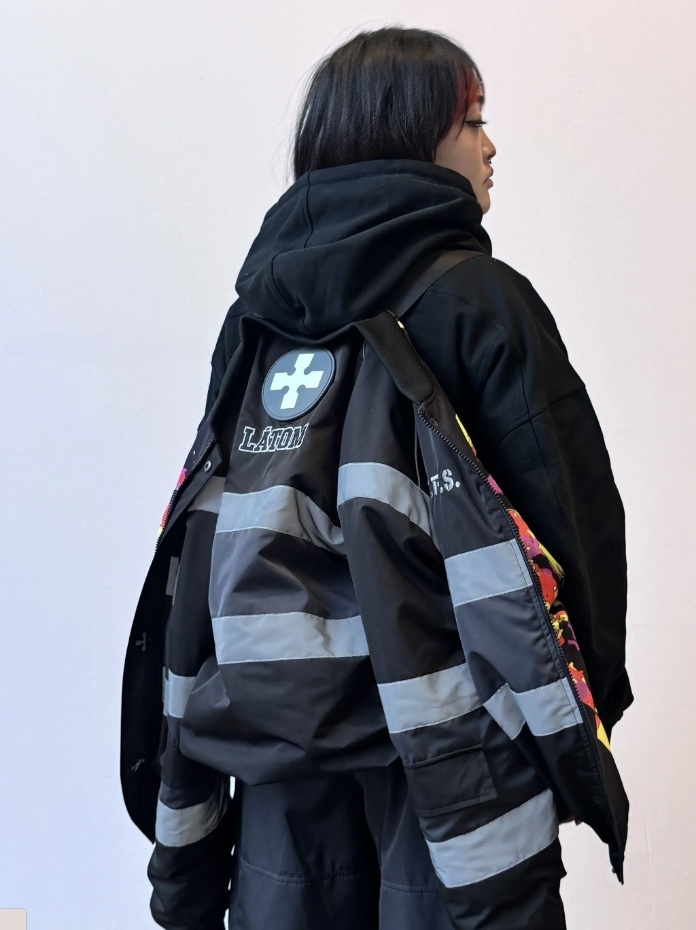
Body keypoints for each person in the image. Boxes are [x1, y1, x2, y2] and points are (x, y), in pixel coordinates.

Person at [125, 25, 632, 930]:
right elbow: (572, 518)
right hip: (448, 755)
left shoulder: (256, 315)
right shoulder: (478, 300)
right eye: (471, 120)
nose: (490, 146)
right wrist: (581, 715)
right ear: (407, 134)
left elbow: (206, 518)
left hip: (273, 749)